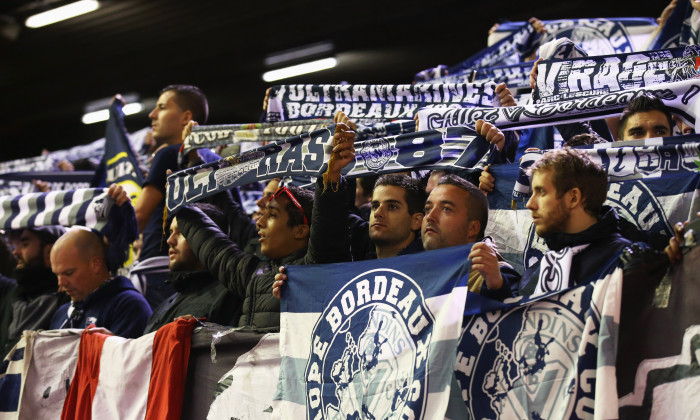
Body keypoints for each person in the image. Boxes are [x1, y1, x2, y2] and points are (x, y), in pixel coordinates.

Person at [177, 113, 356, 328]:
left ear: (301, 230)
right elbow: (210, 244)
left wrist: (331, 174)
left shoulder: (318, 265)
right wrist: (179, 196)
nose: (259, 222)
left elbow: (329, 222)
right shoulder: (255, 274)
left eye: (272, 215)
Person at [517, 148, 633, 296]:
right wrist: (498, 285)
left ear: (573, 198)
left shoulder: (626, 263)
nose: (529, 204)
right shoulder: (539, 269)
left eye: (541, 192)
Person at [133, 85, 219, 261]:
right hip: (206, 265)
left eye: (162, 107)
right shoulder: (216, 159)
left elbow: (138, 216)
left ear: (186, 117)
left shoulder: (169, 154)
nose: (152, 114)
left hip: (160, 265)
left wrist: (101, 243)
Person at [142, 202, 240, 334]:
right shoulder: (168, 302)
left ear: (210, 238)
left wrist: (205, 332)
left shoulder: (231, 295)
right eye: (171, 232)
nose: (170, 240)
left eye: (181, 232)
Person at [422, 174, 519, 300]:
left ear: (472, 228)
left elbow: (521, 314)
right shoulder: (406, 275)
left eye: (446, 209)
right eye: (428, 209)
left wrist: (498, 288)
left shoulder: (494, 276)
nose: (430, 217)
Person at [49, 226, 152, 338]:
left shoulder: (129, 306)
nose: (61, 283)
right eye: (57, 275)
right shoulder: (61, 313)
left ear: (95, 264)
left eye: (68, 273)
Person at [0, 226, 68, 356]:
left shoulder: (67, 300)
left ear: (49, 252)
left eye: (25, 244)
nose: (16, 252)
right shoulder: (11, 291)